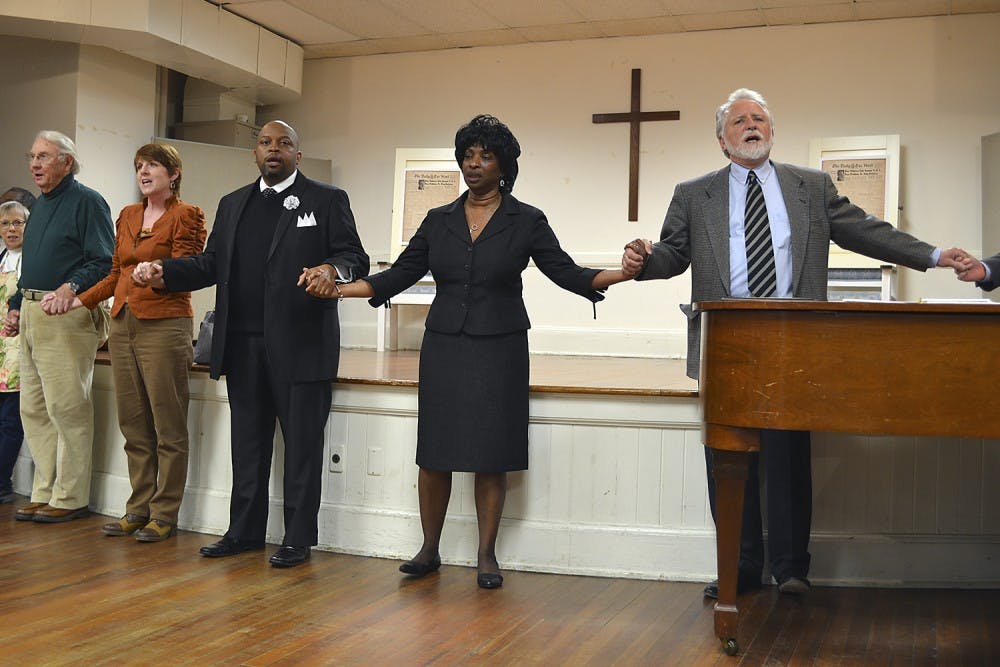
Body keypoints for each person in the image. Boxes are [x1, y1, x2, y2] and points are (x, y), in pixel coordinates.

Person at [621, 88, 970, 598]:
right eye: (739, 121)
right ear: (723, 140)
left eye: (759, 118)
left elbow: (866, 232)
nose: (751, 125)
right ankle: (738, 569)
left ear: (772, 131)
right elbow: (673, 253)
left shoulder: (809, 187)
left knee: (788, 457)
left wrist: (934, 254)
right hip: (728, 341)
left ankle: (790, 569)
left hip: (794, 339)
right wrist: (642, 263)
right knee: (729, 459)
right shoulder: (695, 194)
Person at [311, 114, 636, 588]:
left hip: (501, 347)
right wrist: (340, 290)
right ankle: (428, 549)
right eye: (467, 155)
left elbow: (567, 272)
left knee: (491, 450)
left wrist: (623, 274)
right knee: (435, 451)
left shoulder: (526, 220)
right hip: (444, 345)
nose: (474, 164)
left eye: (485, 155)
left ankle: (486, 554)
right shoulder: (438, 220)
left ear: (503, 164)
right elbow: (397, 275)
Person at [132, 120, 369, 567]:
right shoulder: (233, 203)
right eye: (265, 143)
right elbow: (211, 264)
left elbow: (353, 257)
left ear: (299, 155)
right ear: (255, 154)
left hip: (302, 346)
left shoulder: (326, 199)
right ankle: (243, 531)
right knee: (248, 443)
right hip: (241, 345)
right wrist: (167, 272)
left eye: (284, 143)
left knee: (301, 447)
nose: (273, 149)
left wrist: (330, 271)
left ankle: (297, 538)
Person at [43, 144, 206, 541]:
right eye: (139, 166)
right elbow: (117, 273)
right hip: (122, 322)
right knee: (133, 422)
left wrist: (159, 271)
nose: (144, 171)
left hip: (165, 323)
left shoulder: (187, 215)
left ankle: (164, 514)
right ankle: (137, 508)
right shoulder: (128, 215)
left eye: (152, 165)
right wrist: (77, 298)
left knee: (167, 424)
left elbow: (189, 268)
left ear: (173, 174)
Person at [3, 130, 113, 523]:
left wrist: (70, 288)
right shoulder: (42, 207)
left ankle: (70, 496)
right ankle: (45, 490)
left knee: (67, 407)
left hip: (65, 313)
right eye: (32, 156)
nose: (35, 163)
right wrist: (16, 306)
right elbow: (31, 266)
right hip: (33, 311)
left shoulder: (88, 202)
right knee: (34, 408)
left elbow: (104, 261)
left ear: (67, 162)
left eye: (44, 156)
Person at [0, 201, 28, 503]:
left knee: (10, 421)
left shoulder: (32, 261)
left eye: (18, 223)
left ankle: (1, 481)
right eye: (6, 223)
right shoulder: (1, 259)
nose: (11, 229)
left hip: (18, 352)